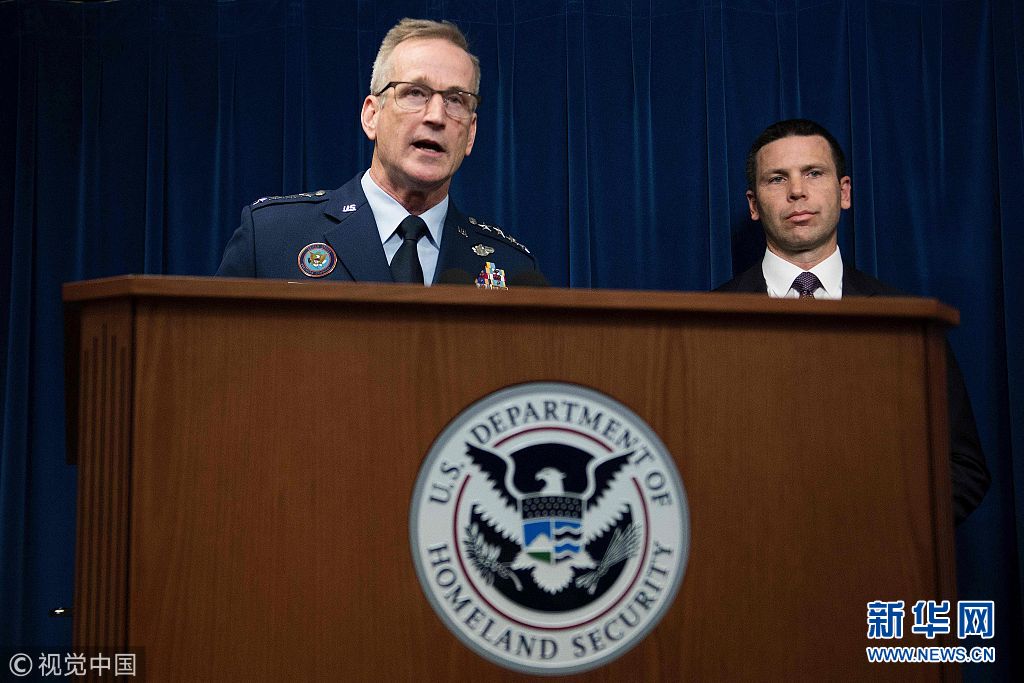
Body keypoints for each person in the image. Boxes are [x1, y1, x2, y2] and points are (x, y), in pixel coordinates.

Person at [716, 118, 989, 524]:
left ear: (844, 192)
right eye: (777, 178)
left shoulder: (906, 322)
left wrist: (879, 530)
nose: (797, 191)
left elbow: (962, 466)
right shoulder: (709, 321)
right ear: (754, 205)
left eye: (813, 173)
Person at [216, 18, 539, 285]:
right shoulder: (271, 238)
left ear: (470, 134)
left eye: (455, 100)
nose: (436, 116)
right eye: (415, 93)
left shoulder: (511, 269)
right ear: (372, 115)